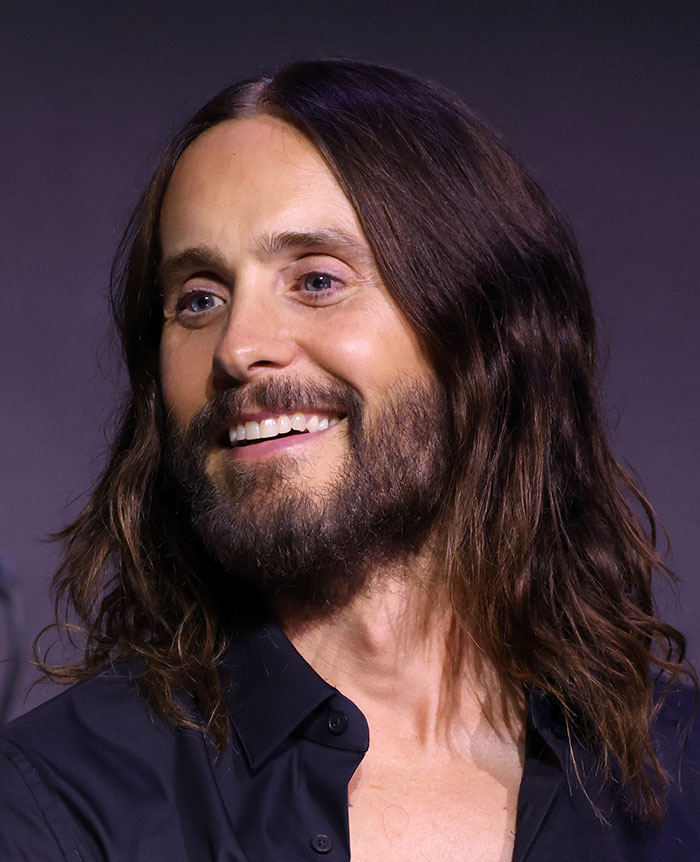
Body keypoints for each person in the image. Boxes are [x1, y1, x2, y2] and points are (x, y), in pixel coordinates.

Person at [1, 59, 698, 861]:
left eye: (317, 280)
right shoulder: (52, 805)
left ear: (481, 331)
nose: (239, 348)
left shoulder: (678, 777)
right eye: (199, 298)